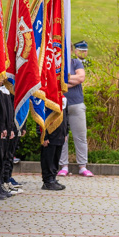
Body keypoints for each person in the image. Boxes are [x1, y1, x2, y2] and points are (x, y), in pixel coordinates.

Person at [58, 41, 93, 177]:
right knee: (63, 137)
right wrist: (71, 80)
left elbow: (81, 78)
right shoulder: (56, 64)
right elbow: (54, 81)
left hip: (76, 104)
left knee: (80, 136)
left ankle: (82, 166)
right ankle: (64, 166)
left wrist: (63, 80)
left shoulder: (75, 63)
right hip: (61, 105)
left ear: (71, 51)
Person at [41, 100, 69, 191]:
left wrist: (66, 132)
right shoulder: (47, 97)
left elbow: (66, 116)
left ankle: (53, 178)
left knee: (56, 158)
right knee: (48, 158)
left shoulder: (63, 98)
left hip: (60, 133)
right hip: (50, 135)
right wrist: (44, 136)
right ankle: (47, 181)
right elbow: (41, 117)